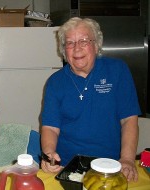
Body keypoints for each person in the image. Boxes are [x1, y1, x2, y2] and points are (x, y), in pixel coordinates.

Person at [40, 17, 140, 182]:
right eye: (70, 43)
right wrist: (49, 154)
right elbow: (50, 127)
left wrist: (128, 159)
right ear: (64, 50)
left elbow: (129, 119)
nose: (77, 48)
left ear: (96, 44)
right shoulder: (55, 82)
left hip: (110, 166)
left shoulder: (117, 70)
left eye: (84, 41)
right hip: (67, 167)